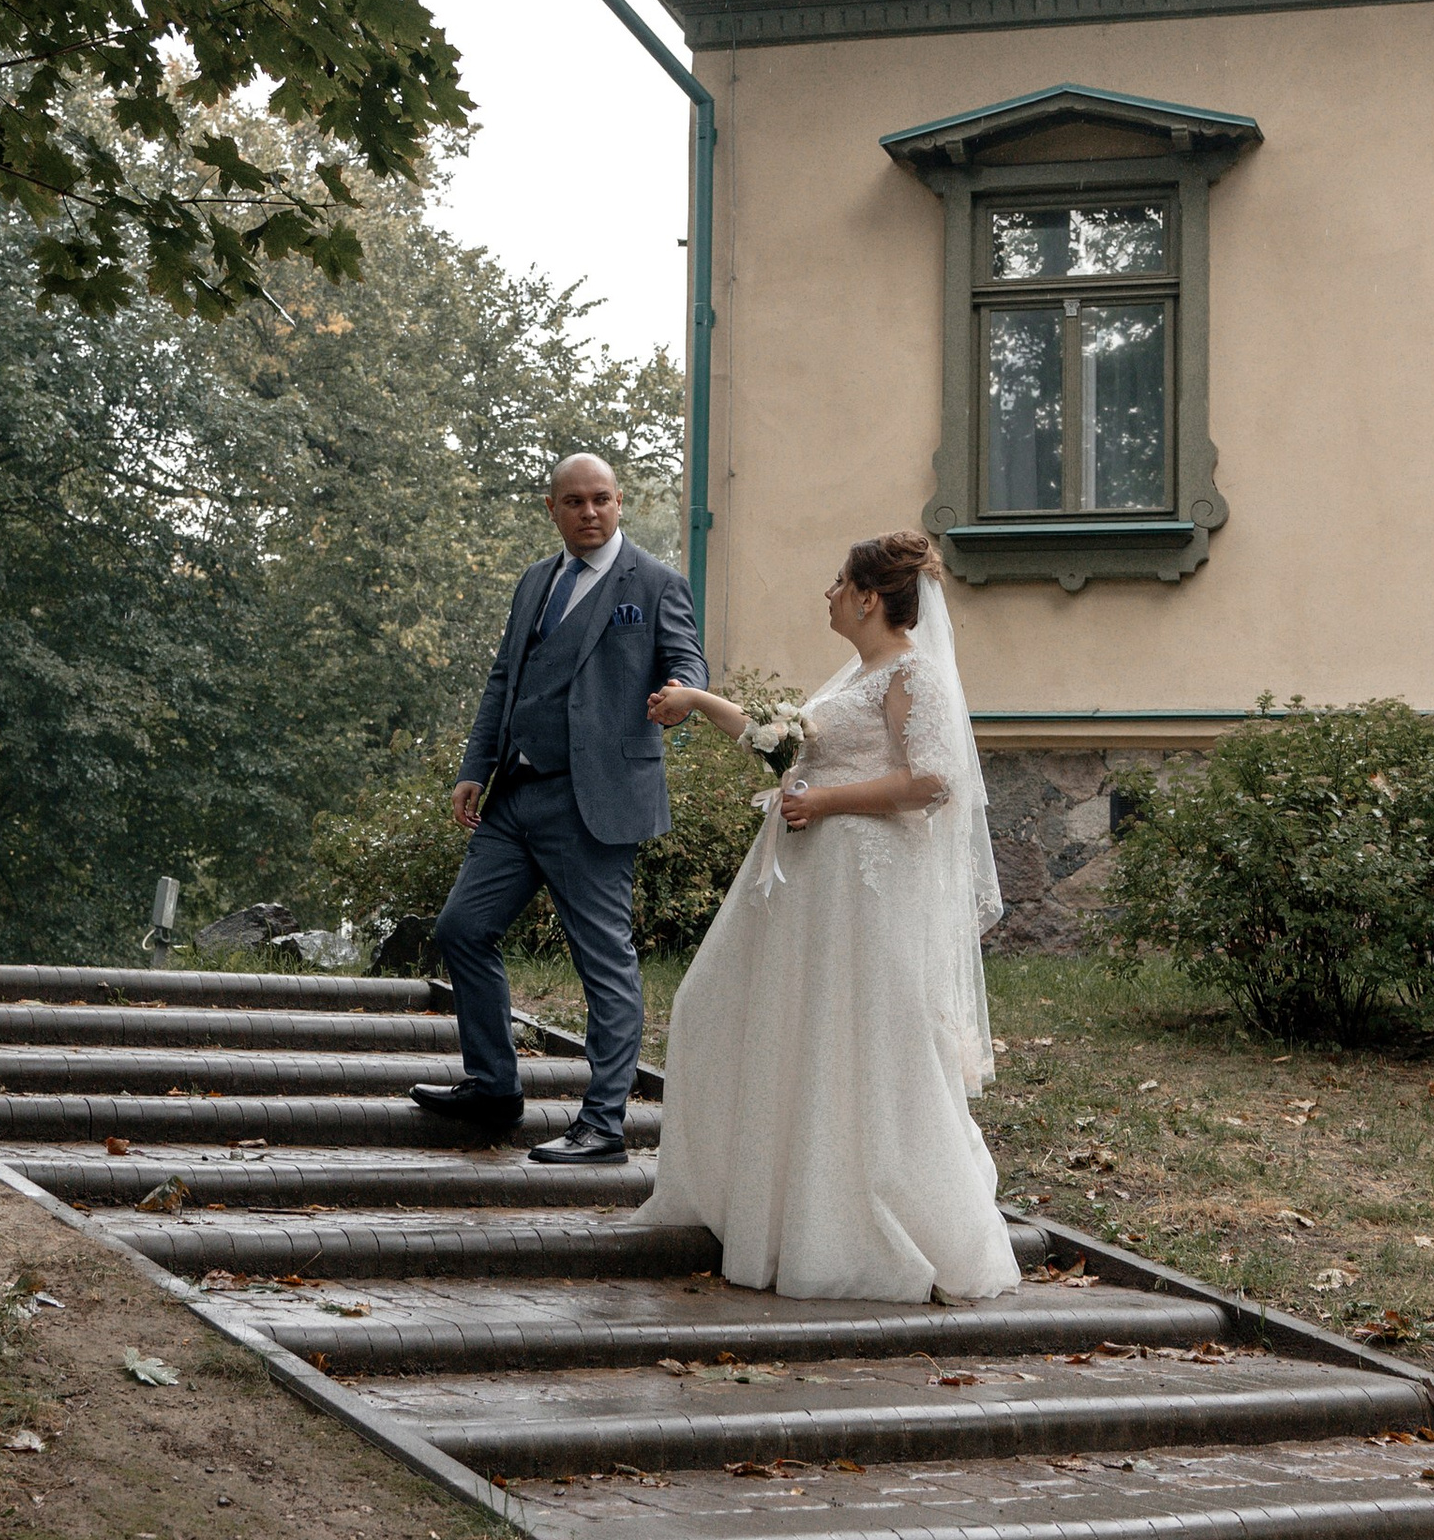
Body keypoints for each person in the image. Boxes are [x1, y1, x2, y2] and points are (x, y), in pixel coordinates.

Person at [636, 529, 1019, 1302]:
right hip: (808, 889)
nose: (829, 594)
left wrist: (826, 800)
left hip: (864, 887)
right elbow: (781, 744)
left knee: (858, 1040)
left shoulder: (914, 673)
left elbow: (933, 781)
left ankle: (853, 1224)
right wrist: (697, 700)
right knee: (725, 1010)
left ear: (871, 597)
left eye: (839, 582)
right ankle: (769, 1204)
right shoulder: (857, 677)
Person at [412, 452, 705, 1165]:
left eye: (601, 499)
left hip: (596, 803)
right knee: (462, 929)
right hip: (515, 795)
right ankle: (492, 1088)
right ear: (552, 509)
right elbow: (505, 678)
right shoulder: (537, 581)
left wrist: (679, 698)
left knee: (604, 963)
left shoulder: (657, 583)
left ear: (620, 501)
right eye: (573, 501)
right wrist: (474, 766)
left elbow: (688, 663)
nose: (589, 512)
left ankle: (603, 1124)